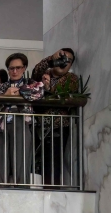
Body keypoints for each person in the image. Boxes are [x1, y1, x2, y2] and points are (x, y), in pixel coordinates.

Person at [0, 53, 44, 184]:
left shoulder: (30, 83)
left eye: (18, 68)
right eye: (11, 68)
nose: (14, 71)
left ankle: (22, 193)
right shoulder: (1, 87)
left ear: (24, 68)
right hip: (0, 126)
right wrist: (5, 97)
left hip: (22, 124)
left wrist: (20, 92)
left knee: (21, 162)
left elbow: (39, 92)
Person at [32, 48, 79, 185]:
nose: (64, 63)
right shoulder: (43, 74)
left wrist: (49, 88)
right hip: (37, 126)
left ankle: (52, 192)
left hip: (58, 127)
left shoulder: (71, 78)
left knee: (53, 163)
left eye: (68, 61)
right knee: (35, 162)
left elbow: (63, 93)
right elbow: (36, 71)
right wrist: (51, 58)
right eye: (62, 59)